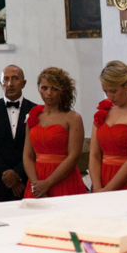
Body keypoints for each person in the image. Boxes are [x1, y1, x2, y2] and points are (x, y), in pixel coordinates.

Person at [22, 67, 86, 198]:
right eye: (44, 88)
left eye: (54, 89)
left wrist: (48, 183)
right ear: (38, 88)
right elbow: (27, 155)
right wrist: (36, 184)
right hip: (37, 179)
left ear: (63, 91)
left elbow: (73, 156)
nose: (49, 93)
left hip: (62, 178)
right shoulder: (33, 115)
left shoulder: (73, 118)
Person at [89, 61, 127, 192]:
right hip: (102, 179)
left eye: (114, 91)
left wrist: (108, 190)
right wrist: (97, 187)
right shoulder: (104, 110)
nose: (110, 96)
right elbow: (94, 155)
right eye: (105, 91)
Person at [0, 64, 35, 202]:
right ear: (0, 84)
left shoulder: (35, 110)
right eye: (5, 79)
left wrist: (18, 174)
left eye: (15, 78)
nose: (10, 83)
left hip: (27, 181)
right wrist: (9, 176)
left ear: (23, 83)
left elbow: (35, 147)